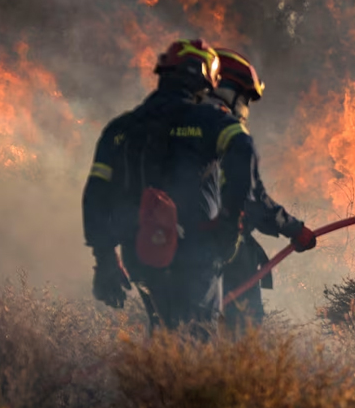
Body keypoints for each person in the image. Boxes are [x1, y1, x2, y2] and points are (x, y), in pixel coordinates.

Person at [82, 39, 256, 332]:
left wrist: (105, 259)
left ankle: (159, 376)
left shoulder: (121, 127)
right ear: (204, 78)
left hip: (141, 252)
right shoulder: (210, 120)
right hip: (196, 250)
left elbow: (96, 195)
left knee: (162, 332)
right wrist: (228, 224)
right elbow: (243, 153)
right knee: (195, 336)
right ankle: (182, 377)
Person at [211, 48, 314, 328]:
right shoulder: (228, 133)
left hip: (173, 250)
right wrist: (294, 228)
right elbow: (253, 199)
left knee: (183, 331)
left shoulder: (173, 127)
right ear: (227, 91)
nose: (245, 108)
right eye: (244, 98)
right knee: (242, 328)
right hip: (226, 249)